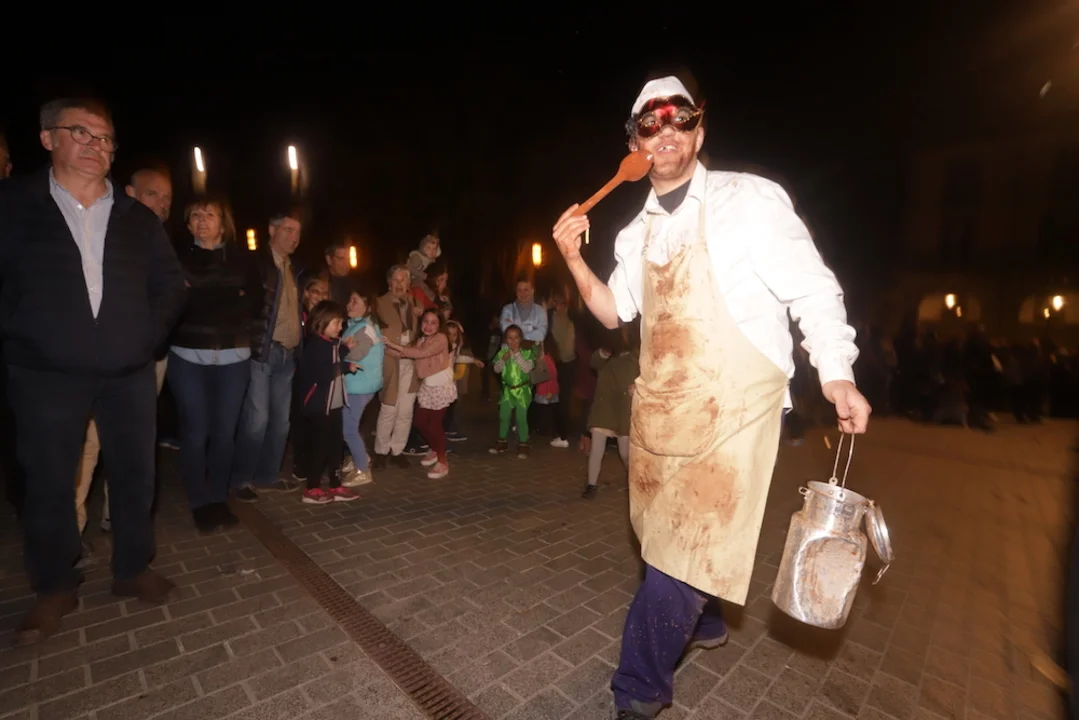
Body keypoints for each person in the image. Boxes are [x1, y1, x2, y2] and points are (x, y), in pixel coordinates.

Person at [551, 75, 870, 719]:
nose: (666, 130)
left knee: (685, 551)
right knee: (662, 538)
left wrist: (835, 370)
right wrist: (573, 260)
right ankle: (707, 621)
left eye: (680, 118)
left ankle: (638, 691)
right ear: (635, 143)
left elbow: (811, 287)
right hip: (663, 405)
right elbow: (614, 313)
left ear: (700, 131)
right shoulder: (633, 233)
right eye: (650, 123)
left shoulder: (747, 201)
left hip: (737, 407)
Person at [0, 97, 187, 645]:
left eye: (105, 138)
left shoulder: (136, 218)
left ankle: (132, 567)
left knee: (136, 473)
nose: (96, 146)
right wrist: (20, 331)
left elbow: (170, 285)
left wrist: (145, 338)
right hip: (45, 372)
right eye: (81, 132)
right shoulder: (13, 204)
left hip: (127, 370)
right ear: (48, 138)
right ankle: (54, 585)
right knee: (50, 480)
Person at [231, 210, 304, 501]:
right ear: (271, 231)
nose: (294, 237)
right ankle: (241, 479)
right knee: (257, 419)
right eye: (288, 230)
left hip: (287, 353)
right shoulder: (257, 264)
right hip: (263, 350)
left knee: (281, 422)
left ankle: (267, 476)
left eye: (297, 232)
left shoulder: (293, 268)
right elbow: (244, 305)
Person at [292, 301, 360, 504]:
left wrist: (345, 348)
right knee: (319, 447)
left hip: (334, 404)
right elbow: (322, 373)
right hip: (318, 406)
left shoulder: (330, 343)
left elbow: (335, 353)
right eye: (336, 323)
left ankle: (335, 484)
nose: (340, 327)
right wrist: (346, 367)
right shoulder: (314, 346)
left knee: (335, 446)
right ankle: (311, 488)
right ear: (322, 322)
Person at [384, 309, 456, 479]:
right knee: (420, 422)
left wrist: (393, 344)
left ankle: (442, 461)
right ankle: (435, 448)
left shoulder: (441, 339)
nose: (428, 326)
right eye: (425, 321)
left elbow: (421, 353)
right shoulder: (421, 340)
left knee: (434, 425)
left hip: (441, 387)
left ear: (439, 325)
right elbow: (405, 353)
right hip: (427, 387)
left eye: (433, 322)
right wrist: (383, 348)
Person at [340, 288, 384, 486]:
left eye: (355, 301)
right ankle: (359, 457)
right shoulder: (355, 325)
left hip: (360, 385)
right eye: (349, 300)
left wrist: (336, 351)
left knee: (348, 429)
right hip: (355, 383)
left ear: (367, 307)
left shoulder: (365, 329)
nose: (349, 305)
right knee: (349, 425)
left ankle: (363, 470)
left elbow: (356, 354)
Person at [489, 325, 537, 459]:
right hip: (507, 391)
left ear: (521, 339)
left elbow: (527, 369)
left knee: (521, 418)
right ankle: (502, 441)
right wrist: (503, 360)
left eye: (516, 338)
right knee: (504, 416)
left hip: (522, 391)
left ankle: (523, 444)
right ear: (506, 339)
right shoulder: (503, 353)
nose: (513, 341)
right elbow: (496, 369)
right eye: (510, 338)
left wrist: (517, 355)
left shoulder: (527, 353)